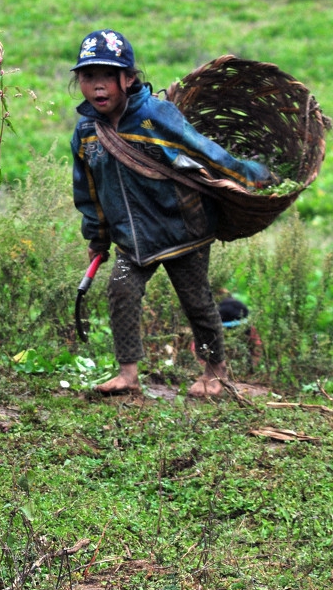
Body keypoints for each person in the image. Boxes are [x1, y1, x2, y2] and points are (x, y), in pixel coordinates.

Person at [69, 29, 272, 399]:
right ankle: (128, 374)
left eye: (106, 77)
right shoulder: (86, 132)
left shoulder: (154, 116)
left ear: (128, 78)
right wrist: (97, 237)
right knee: (120, 290)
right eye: (88, 77)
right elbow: (88, 191)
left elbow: (206, 151)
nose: (97, 87)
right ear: (78, 81)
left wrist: (252, 176)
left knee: (196, 300)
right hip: (134, 240)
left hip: (183, 229)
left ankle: (215, 372)